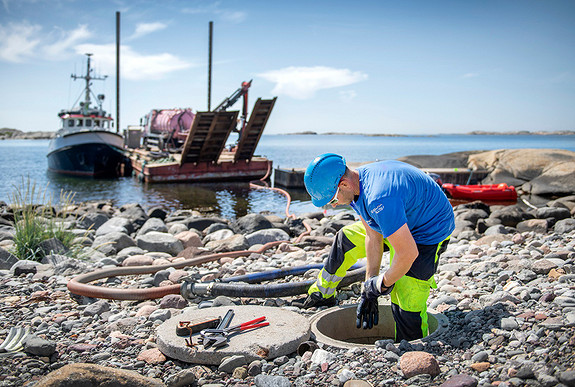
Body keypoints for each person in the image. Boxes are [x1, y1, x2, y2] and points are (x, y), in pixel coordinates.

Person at [303, 153, 454, 342]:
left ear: (344, 184)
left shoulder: (378, 197)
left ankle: (413, 347)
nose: (334, 205)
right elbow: (372, 235)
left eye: (333, 200)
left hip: (428, 230)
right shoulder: (357, 187)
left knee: (405, 297)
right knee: (346, 239)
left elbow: (407, 253)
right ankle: (323, 294)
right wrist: (369, 286)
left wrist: (382, 284)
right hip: (398, 220)